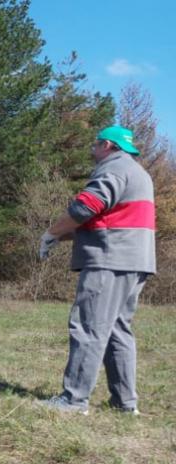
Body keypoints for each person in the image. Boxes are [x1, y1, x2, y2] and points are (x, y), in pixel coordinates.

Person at [38, 125, 155, 415]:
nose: (91, 149)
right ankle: (125, 403)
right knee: (117, 330)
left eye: (94, 144)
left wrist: (51, 233)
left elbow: (85, 207)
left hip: (110, 259)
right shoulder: (138, 172)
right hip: (135, 260)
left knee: (89, 326)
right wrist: (63, 236)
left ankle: (74, 400)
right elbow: (107, 219)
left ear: (106, 145)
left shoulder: (112, 168)